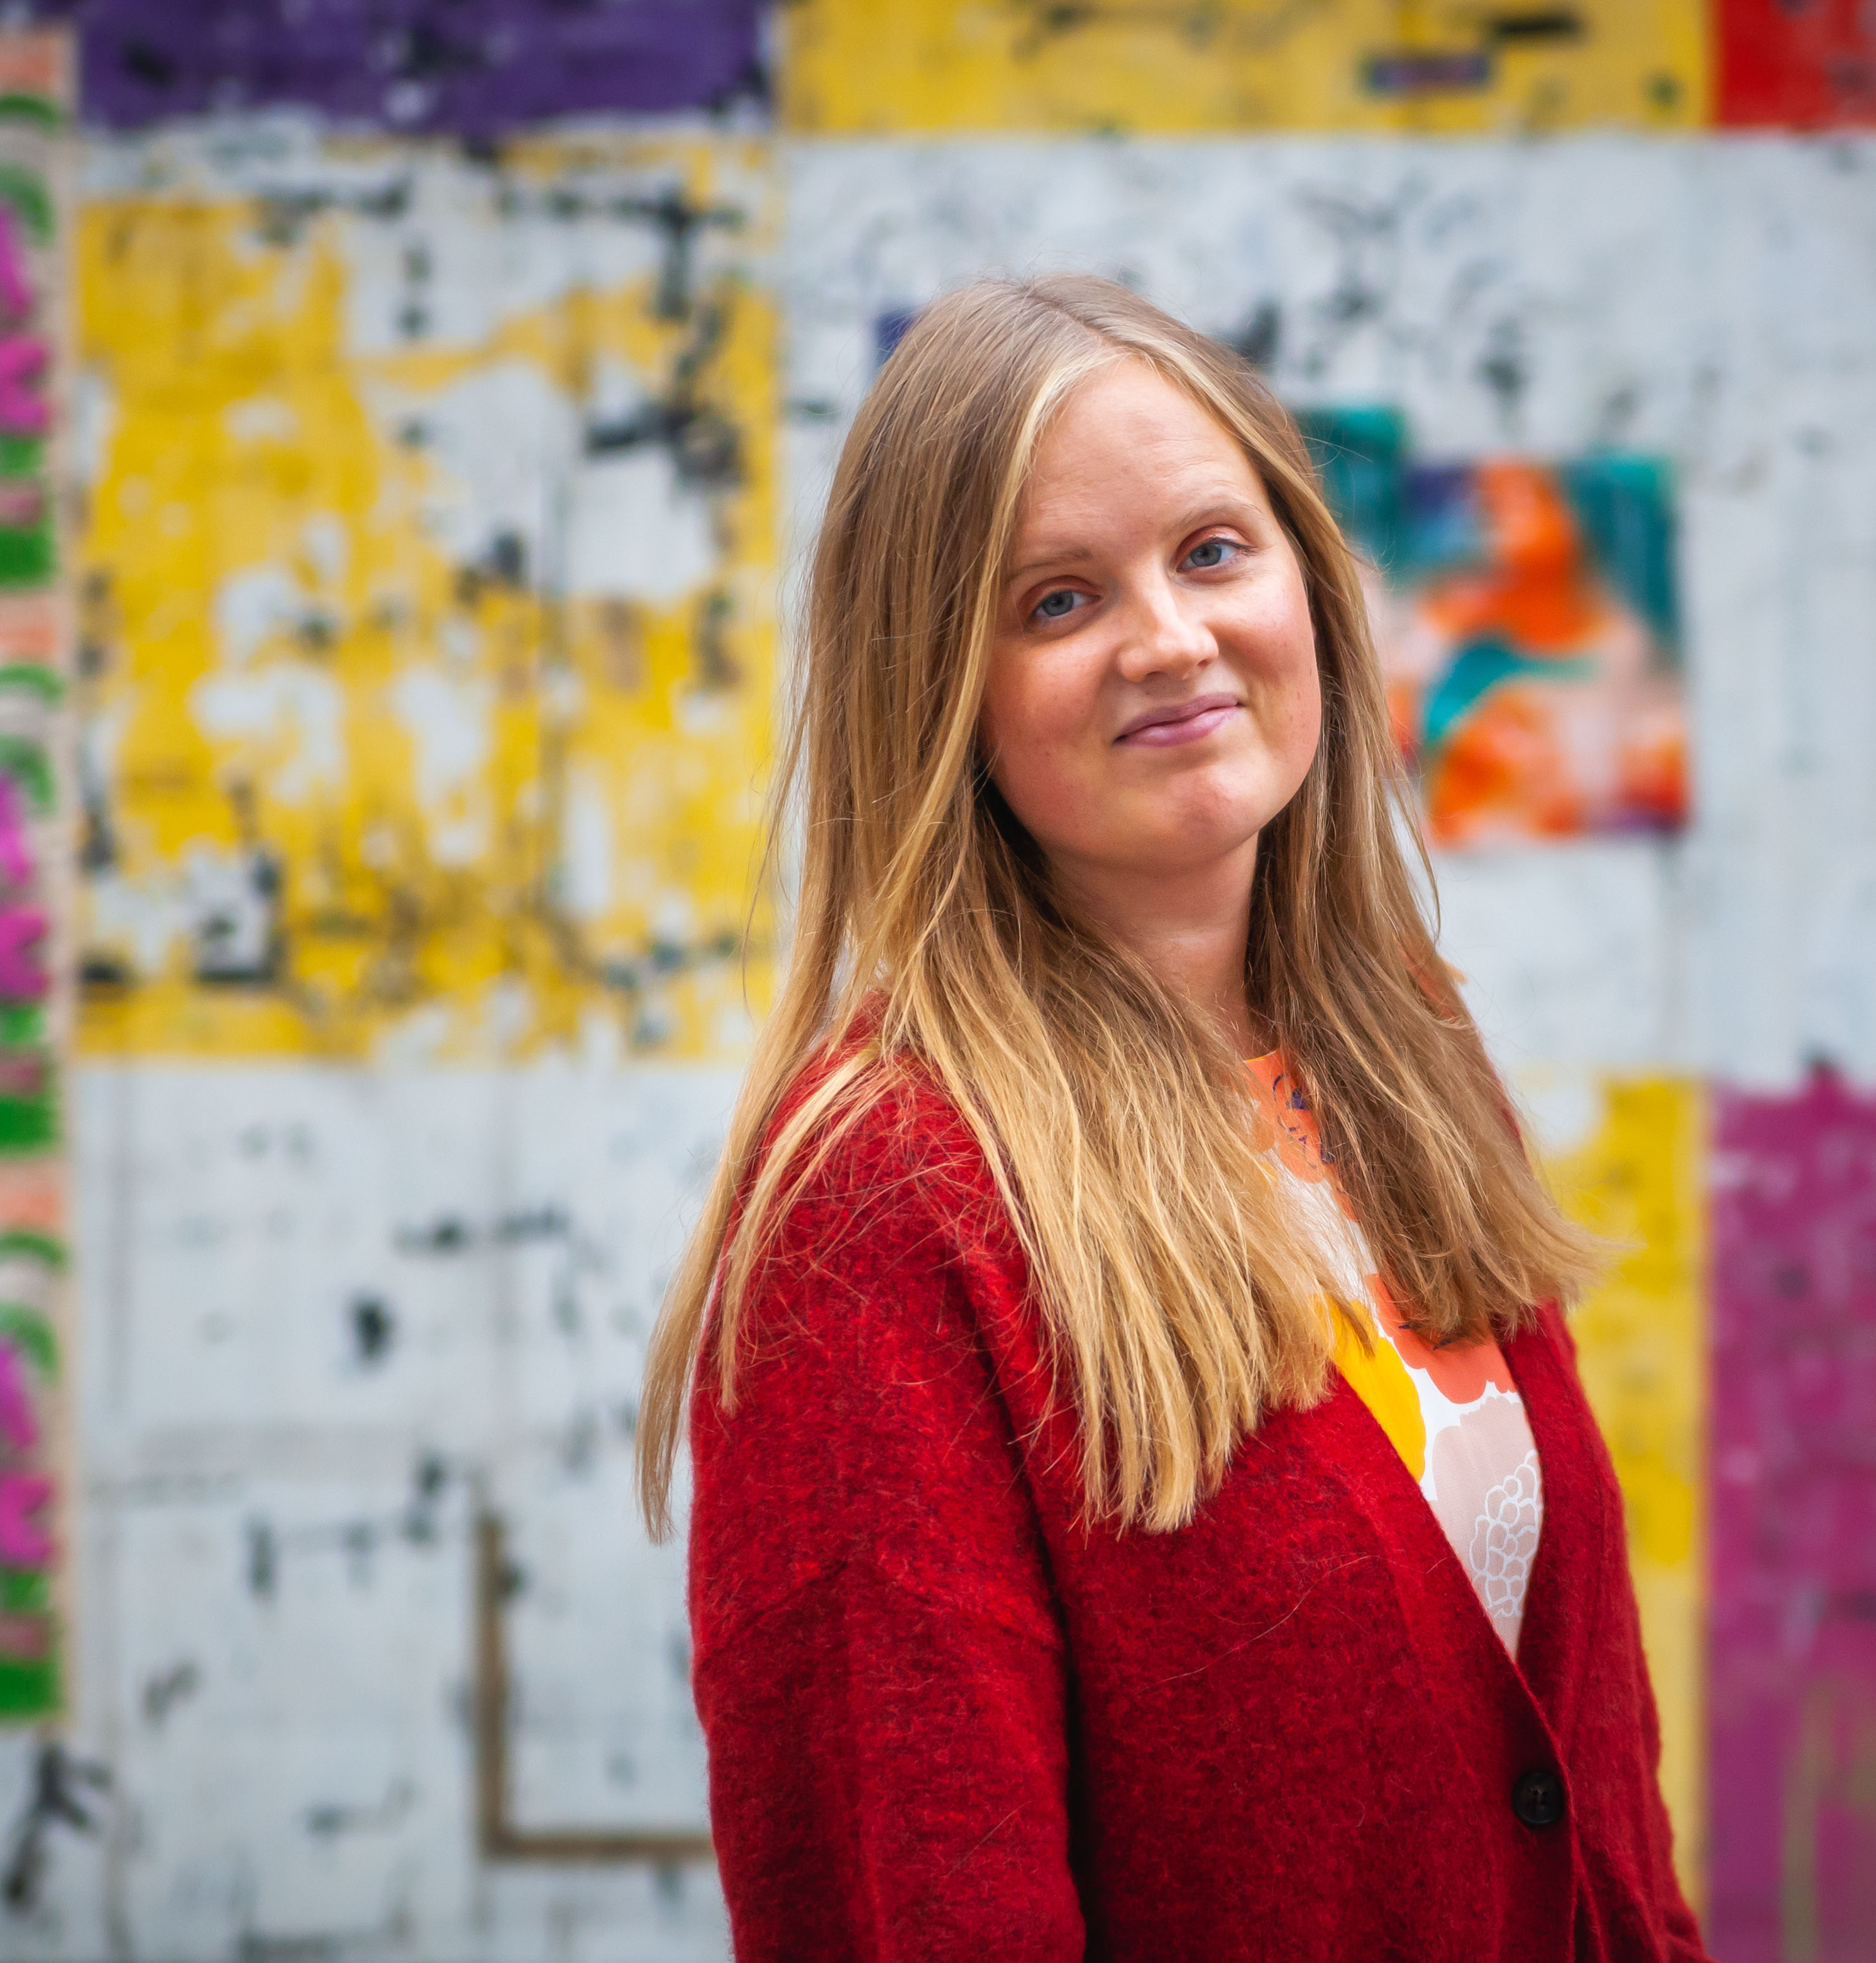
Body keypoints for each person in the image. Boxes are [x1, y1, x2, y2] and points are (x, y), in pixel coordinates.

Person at [634, 274, 1708, 1959]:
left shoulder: (1407, 1053)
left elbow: (1605, 1793)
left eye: (1213, 551)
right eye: (1058, 599)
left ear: (1307, 586)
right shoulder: (881, 1204)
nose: (1169, 638)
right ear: (941, 687)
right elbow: (932, 1908)